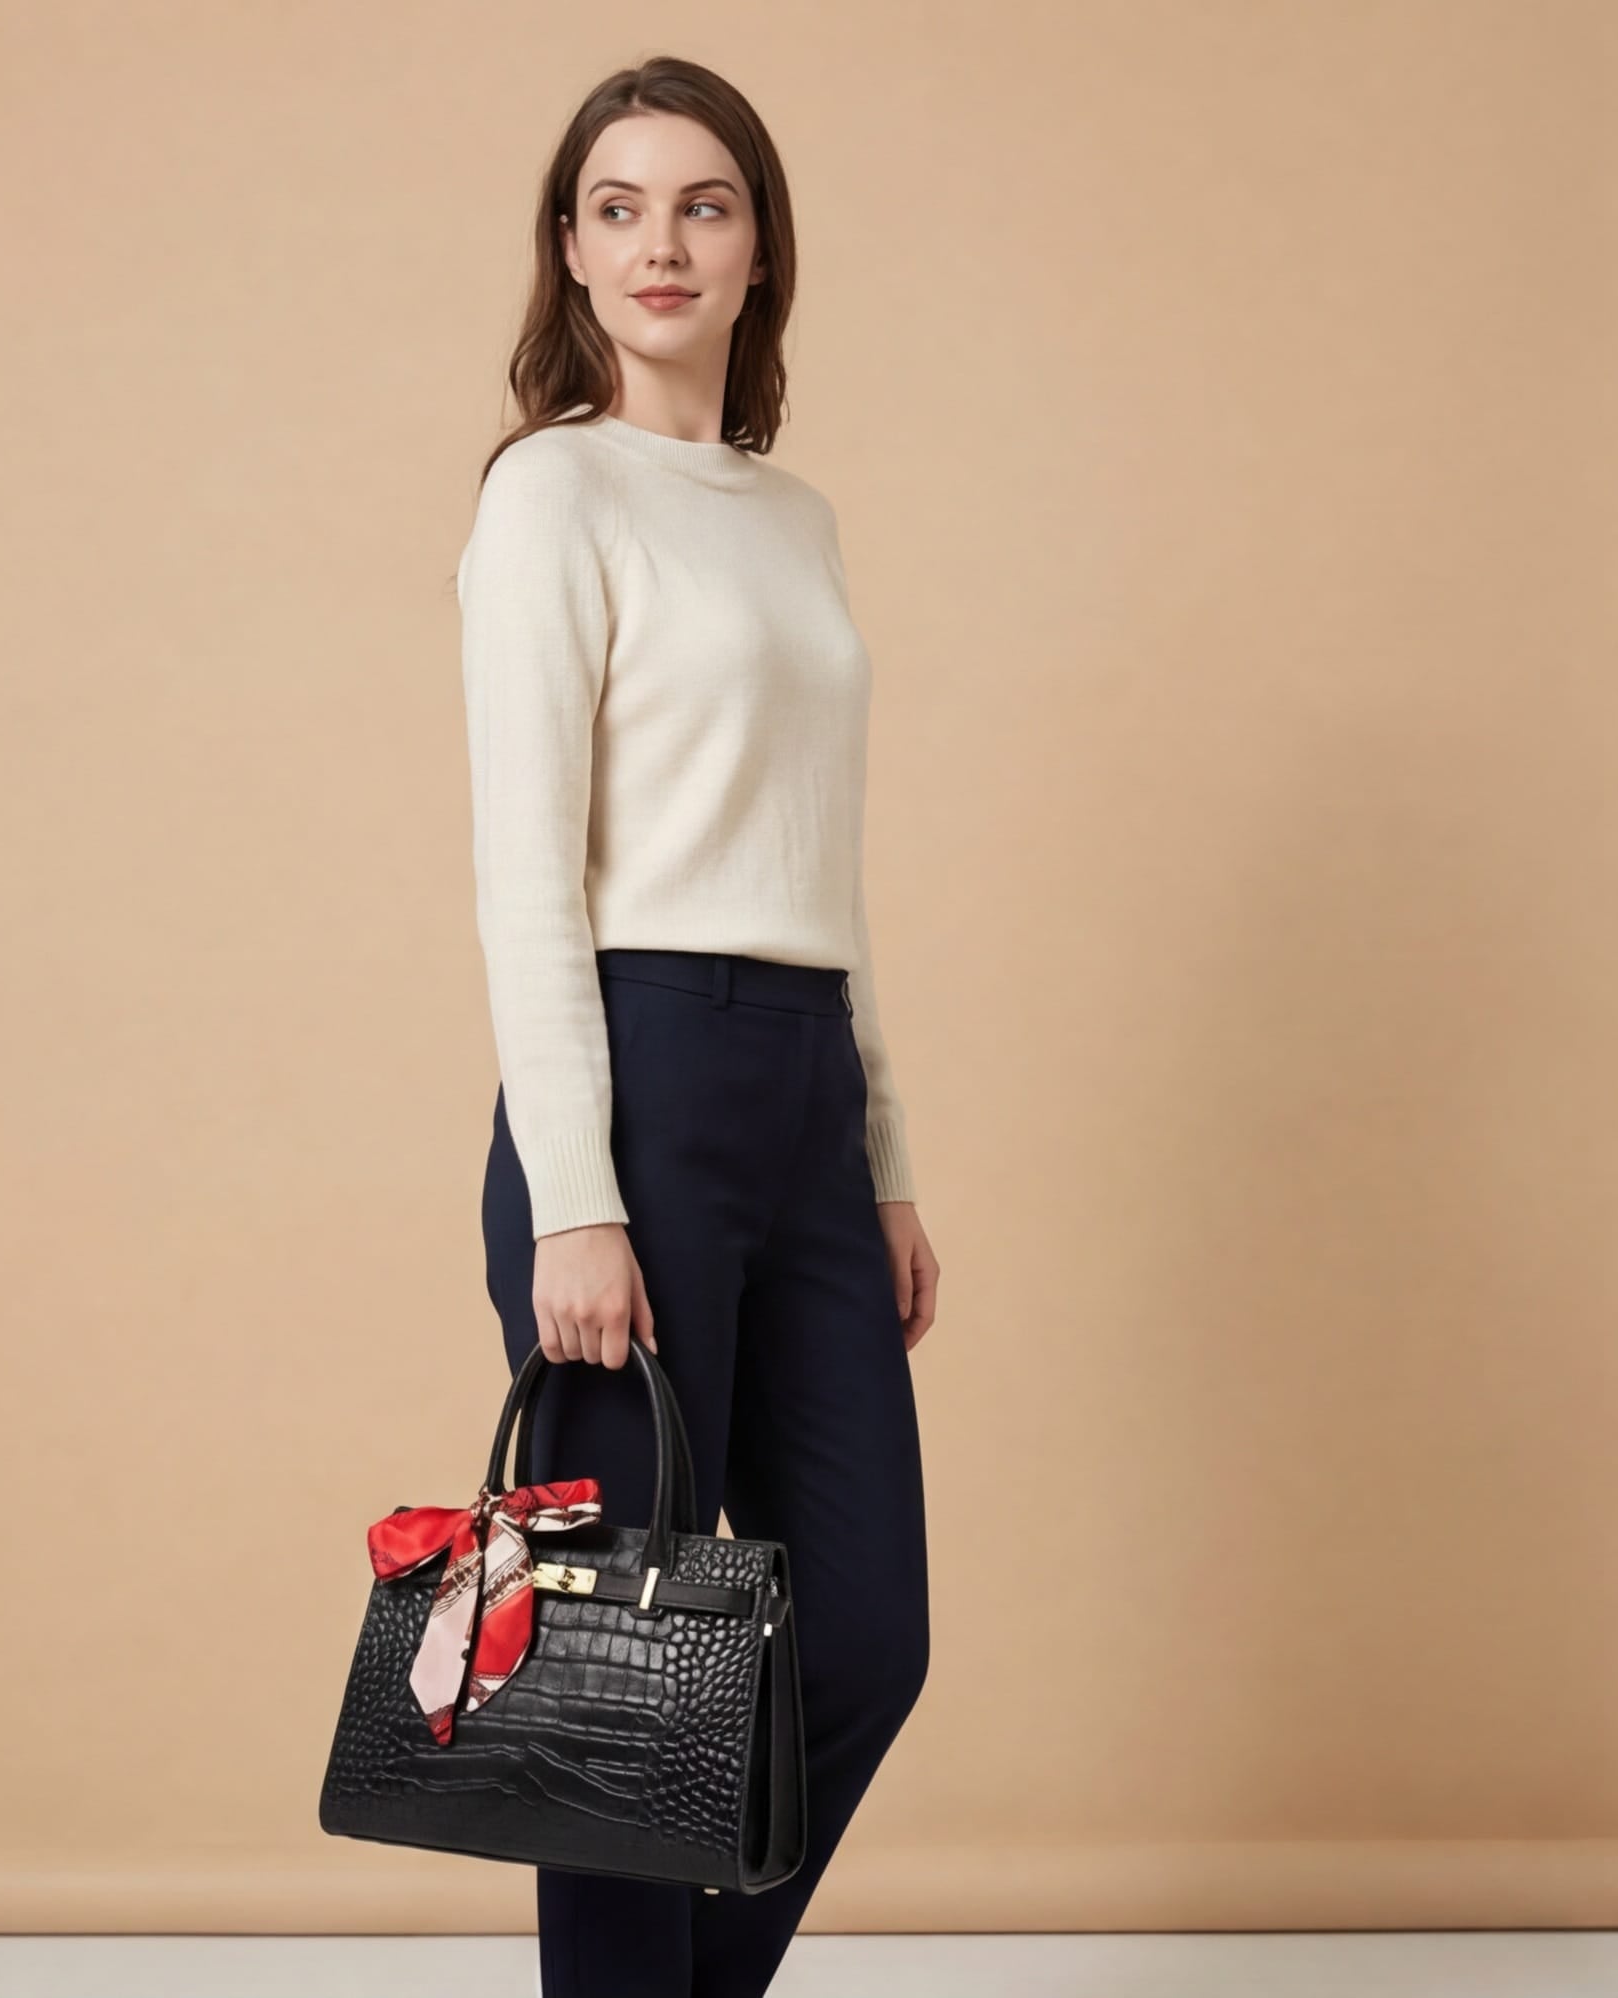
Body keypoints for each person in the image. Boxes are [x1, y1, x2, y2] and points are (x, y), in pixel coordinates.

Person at [458, 53, 938, 1998]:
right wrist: (577, 1194)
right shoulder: (551, 492)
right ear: (569, 260)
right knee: (617, 1672)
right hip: (638, 1081)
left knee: (861, 1636)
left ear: (762, 253)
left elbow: (822, 861)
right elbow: (526, 874)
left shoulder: (793, 516)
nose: (663, 242)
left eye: (705, 203)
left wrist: (883, 1156)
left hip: (801, 1085)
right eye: (618, 206)